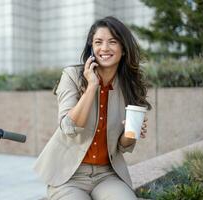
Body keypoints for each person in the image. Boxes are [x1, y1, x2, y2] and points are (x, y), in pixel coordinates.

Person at [34, 16, 152, 200]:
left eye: (112, 42)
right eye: (98, 42)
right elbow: (69, 127)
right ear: (92, 47)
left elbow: (123, 146)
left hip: (107, 175)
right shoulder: (72, 75)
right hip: (69, 176)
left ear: (124, 49)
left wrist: (132, 133)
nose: (104, 48)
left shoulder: (129, 86)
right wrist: (91, 86)